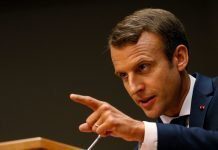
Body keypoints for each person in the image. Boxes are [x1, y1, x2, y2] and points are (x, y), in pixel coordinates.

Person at [70, 8, 218, 150]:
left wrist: (141, 131)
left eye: (143, 67)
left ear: (180, 58)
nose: (134, 88)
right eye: (124, 75)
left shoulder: (147, 135)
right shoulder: (148, 145)